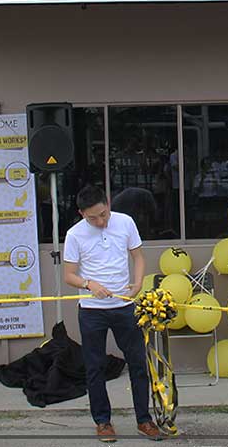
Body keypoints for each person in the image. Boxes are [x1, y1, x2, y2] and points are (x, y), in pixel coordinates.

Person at [62, 185, 164, 442]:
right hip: (92, 310)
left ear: (108, 204)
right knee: (95, 367)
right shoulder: (74, 234)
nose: (100, 221)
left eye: (103, 214)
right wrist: (89, 284)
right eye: (92, 218)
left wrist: (138, 283)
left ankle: (144, 420)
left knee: (137, 362)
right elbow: (69, 276)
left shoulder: (125, 222)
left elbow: (138, 257)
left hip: (124, 305)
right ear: (81, 214)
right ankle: (103, 422)